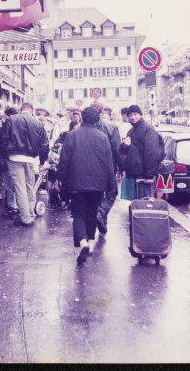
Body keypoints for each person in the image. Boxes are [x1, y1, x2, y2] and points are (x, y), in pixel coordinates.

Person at [56, 107, 116, 265]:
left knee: (78, 214)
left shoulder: (72, 135)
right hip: (98, 184)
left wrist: (60, 179)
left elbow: (64, 160)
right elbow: (109, 164)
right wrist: (111, 185)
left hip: (76, 183)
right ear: (97, 119)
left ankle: (83, 242)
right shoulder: (103, 137)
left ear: (81, 117)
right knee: (91, 213)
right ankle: (88, 242)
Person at [0, 102, 49, 227]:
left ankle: (25, 218)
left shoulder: (11, 120)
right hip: (31, 160)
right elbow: (44, 144)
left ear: (21, 110)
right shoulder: (37, 123)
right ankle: (31, 214)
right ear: (31, 110)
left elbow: (2, 139)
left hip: (14, 158)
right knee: (29, 186)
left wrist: (5, 156)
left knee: (19, 187)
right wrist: (42, 161)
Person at [90, 100, 123, 236]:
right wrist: (122, 167)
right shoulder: (111, 126)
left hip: (92, 167)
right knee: (111, 193)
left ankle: (102, 226)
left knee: (98, 195)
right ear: (102, 111)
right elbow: (117, 149)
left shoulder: (87, 127)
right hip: (109, 166)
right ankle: (101, 215)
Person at [120, 105, 164, 200]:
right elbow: (125, 151)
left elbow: (151, 152)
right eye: (130, 115)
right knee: (137, 202)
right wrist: (124, 146)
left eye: (135, 114)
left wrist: (148, 174)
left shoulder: (148, 128)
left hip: (143, 173)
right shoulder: (131, 131)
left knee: (144, 201)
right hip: (134, 172)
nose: (133, 117)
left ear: (140, 115)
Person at [0, 106, 20, 218]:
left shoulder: (7, 126)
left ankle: (13, 207)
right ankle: (16, 206)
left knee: (10, 184)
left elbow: (3, 142)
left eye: (6, 117)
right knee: (16, 184)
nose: (4, 119)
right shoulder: (20, 126)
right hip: (19, 158)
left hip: (8, 158)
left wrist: (5, 155)